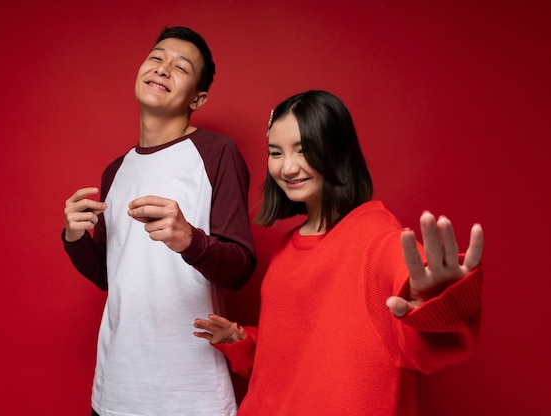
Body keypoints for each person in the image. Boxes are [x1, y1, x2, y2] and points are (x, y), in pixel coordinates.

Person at [193, 90, 484, 415]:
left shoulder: (375, 233)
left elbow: (421, 310)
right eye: (276, 153)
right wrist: (241, 340)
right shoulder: (286, 248)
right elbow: (294, 359)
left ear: (336, 151)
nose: (287, 167)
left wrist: (437, 298)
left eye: (303, 151)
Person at [63, 26, 256, 416]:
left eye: (180, 67)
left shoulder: (217, 152)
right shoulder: (115, 171)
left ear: (198, 98)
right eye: (157, 57)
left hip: (192, 391)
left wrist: (190, 240)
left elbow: (240, 268)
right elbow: (110, 275)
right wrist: (74, 236)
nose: (163, 69)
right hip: (115, 388)